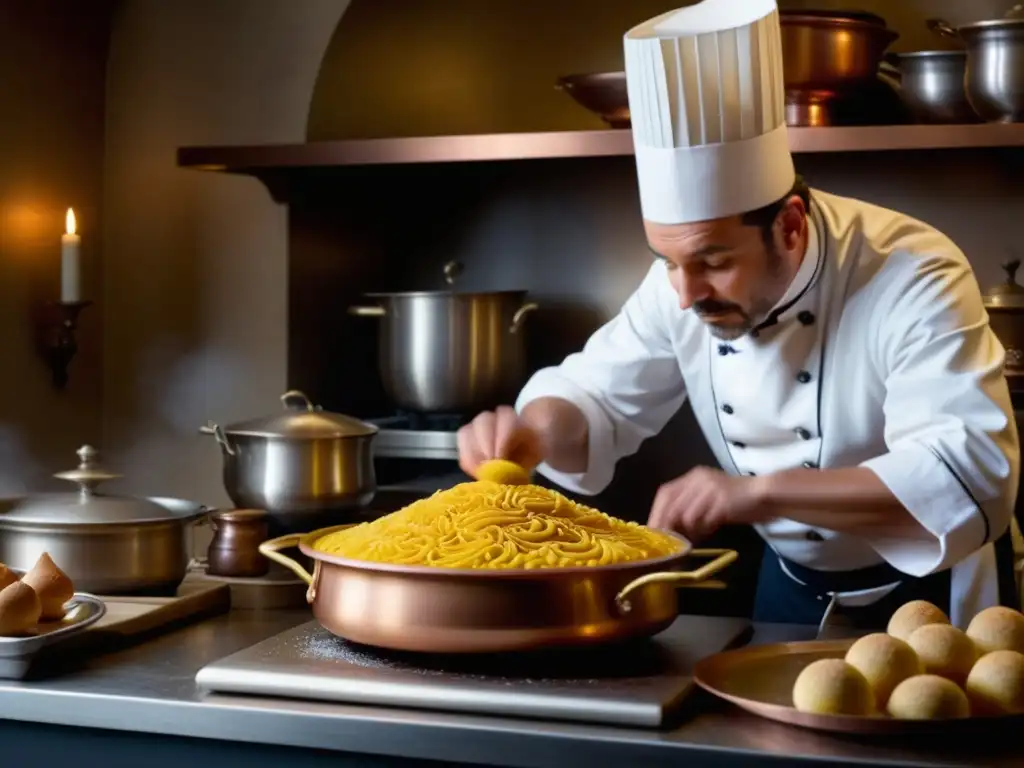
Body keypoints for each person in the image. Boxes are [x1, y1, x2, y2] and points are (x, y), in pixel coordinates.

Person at [456, 0, 1021, 629]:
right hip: (790, 587)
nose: (685, 293)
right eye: (667, 261)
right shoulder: (679, 284)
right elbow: (594, 400)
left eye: (713, 261)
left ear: (789, 226)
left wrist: (757, 493)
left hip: (932, 595)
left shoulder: (910, 272)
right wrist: (530, 433)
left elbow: (966, 472)